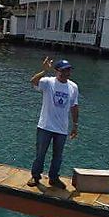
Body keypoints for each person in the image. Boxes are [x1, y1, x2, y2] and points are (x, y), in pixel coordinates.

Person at [27, 57, 79, 189]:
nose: (66, 73)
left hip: (61, 128)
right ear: (57, 71)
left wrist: (75, 125)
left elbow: (74, 106)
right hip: (45, 126)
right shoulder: (48, 82)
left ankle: (54, 178)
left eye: (68, 70)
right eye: (63, 71)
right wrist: (44, 71)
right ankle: (36, 175)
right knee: (40, 153)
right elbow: (33, 81)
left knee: (58, 156)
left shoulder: (73, 87)